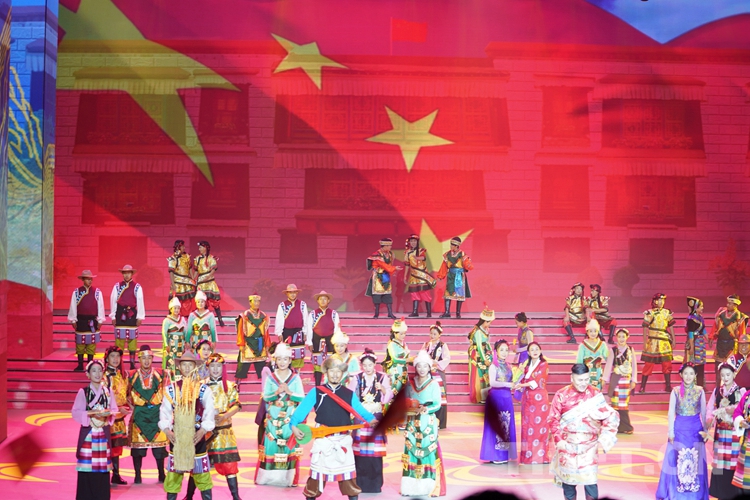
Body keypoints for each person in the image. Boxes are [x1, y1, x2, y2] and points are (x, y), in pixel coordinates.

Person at [290, 357, 376, 500]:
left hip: (343, 441)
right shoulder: (316, 392)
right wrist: (293, 425)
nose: (335, 375)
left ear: (343, 373)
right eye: (332, 371)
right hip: (323, 442)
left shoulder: (349, 394)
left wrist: (372, 419)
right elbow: (301, 411)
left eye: (338, 371)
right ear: (326, 372)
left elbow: (361, 411)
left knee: (350, 483)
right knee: (314, 483)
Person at [548, 364, 620, 500]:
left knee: (590, 482)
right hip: (567, 445)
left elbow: (608, 415)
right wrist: (559, 440)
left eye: (586, 379)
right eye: (580, 380)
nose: (584, 383)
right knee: (568, 483)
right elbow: (553, 419)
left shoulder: (595, 394)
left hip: (589, 446)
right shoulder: (561, 395)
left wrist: (606, 436)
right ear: (572, 378)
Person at [160, 351, 216, 500]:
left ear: (195, 366)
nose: (186, 368)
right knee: (173, 476)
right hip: (177, 437)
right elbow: (165, 411)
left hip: (197, 437)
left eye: (190, 365)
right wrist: (167, 431)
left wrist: (203, 430)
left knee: (202, 474)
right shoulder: (171, 389)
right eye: (183, 365)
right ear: (179, 367)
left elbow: (209, 411)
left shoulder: (203, 389)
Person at [655, 362, 708, 500]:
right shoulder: (675, 391)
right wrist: (670, 432)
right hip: (679, 429)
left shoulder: (700, 391)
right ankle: (677, 492)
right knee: (677, 460)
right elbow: (671, 412)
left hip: (696, 430)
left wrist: (706, 431)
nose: (688, 376)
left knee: (696, 461)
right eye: (686, 373)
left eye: (691, 373)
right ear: (681, 375)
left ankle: (695, 493)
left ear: (695, 375)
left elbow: (704, 413)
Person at [256, 342, 305, 487]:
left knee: (289, 446)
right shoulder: (271, 377)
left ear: (290, 360)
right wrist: (276, 393)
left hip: (289, 418)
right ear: (275, 360)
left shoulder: (295, 378)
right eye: (279, 359)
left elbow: (302, 397)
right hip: (273, 417)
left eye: (285, 359)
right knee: (271, 444)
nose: (282, 362)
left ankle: (289, 478)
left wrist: (289, 392)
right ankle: (268, 477)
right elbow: (266, 397)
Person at [401, 350, 447, 497]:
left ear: (429, 367)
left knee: (428, 450)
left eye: (425, 366)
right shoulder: (410, 384)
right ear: (415, 367)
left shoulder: (434, 384)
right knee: (411, 450)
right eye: (419, 366)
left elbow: (438, 404)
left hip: (427, 421)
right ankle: (411, 487)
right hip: (413, 421)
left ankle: (430, 486)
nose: (422, 369)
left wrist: (427, 409)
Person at [348, 348, 393, 493]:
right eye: (365, 365)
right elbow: (350, 397)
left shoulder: (382, 377)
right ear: (361, 365)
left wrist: (383, 390)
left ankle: (375, 484)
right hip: (361, 419)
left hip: (376, 418)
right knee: (360, 453)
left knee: (375, 454)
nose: (367, 368)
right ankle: (360, 483)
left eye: (370, 365)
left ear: (375, 364)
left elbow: (388, 396)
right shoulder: (356, 378)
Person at [72, 359, 118, 500]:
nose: (97, 374)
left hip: (103, 433)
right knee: (86, 469)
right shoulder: (83, 392)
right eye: (93, 371)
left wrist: (109, 414)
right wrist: (90, 413)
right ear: (88, 374)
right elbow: (76, 412)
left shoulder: (108, 391)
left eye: (99, 370)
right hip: (89, 434)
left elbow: (114, 409)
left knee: (103, 469)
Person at [127, 345, 168, 484]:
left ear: (152, 358)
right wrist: (133, 406)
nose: (146, 361)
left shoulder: (161, 374)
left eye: (149, 358)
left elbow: (167, 392)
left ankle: (161, 473)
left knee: (159, 448)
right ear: (139, 359)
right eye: (143, 358)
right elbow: (126, 393)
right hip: (140, 415)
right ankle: (137, 474)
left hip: (157, 414)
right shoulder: (131, 375)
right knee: (138, 448)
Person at [205, 353, 243, 500]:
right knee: (200, 466)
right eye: (212, 366)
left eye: (218, 366)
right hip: (205, 433)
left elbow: (237, 405)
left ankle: (236, 496)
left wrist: (225, 416)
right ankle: (191, 495)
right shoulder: (201, 385)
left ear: (223, 368)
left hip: (224, 432)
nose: (215, 369)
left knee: (229, 465)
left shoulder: (230, 386)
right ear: (207, 368)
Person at [707, 363, 744, 500]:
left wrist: (733, 411)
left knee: (733, 463)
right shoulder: (717, 391)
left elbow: (744, 410)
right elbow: (710, 409)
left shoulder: (740, 391)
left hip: (734, 434)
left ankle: (733, 493)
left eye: (728, 375)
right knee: (718, 463)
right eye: (722, 375)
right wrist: (709, 420)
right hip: (720, 434)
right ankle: (719, 492)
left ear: (734, 374)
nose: (725, 378)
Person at [480, 339, 518, 465]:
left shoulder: (509, 366)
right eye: (501, 350)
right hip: (496, 398)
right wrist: (508, 384)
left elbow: (512, 381)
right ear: (496, 351)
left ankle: (504, 454)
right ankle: (494, 455)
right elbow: (492, 383)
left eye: (506, 350)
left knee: (506, 425)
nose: (504, 352)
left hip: (507, 398)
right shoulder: (493, 366)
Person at [516, 342, 550, 465]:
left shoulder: (543, 364)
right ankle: (527, 457)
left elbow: (536, 382)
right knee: (527, 427)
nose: (535, 351)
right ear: (528, 353)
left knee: (539, 427)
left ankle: (541, 457)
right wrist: (520, 375)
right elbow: (524, 379)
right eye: (532, 350)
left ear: (540, 351)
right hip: (527, 399)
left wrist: (521, 385)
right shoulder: (527, 365)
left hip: (539, 400)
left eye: (537, 349)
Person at [68, 270, 106, 371]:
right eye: (87, 279)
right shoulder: (76, 292)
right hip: (81, 321)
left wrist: (100, 320)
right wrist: (73, 320)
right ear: (83, 280)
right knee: (80, 344)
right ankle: (80, 365)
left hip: (92, 322)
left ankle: (90, 365)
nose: (90, 281)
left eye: (91, 279)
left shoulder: (97, 292)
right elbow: (73, 306)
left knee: (91, 344)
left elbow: (100, 306)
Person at [110, 264, 145, 370]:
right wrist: (113, 316)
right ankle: (118, 364)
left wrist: (140, 317)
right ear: (122, 274)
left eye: (128, 273)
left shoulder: (137, 287)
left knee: (132, 340)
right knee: (119, 341)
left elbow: (140, 301)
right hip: (120, 314)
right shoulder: (117, 286)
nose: (126, 275)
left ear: (132, 274)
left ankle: (132, 363)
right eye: (124, 273)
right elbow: (113, 301)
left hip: (132, 315)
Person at [602, 328, 638, 434]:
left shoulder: (630, 350)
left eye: (623, 336)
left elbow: (634, 366)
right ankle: (615, 426)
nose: (621, 339)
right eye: (619, 337)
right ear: (616, 338)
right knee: (615, 403)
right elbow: (608, 365)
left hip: (626, 380)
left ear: (627, 337)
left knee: (624, 404)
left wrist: (634, 380)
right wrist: (604, 379)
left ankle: (626, 426)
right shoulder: (613, 350)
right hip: (616, 380)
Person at [104, 345, 130, 485]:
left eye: (118, 356)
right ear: (107, 358)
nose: (115, 359)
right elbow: (103, 400)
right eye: (112, 356)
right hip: (109, 418)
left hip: (120, 418)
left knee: (117, 447)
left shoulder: (121, 374)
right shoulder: (104, 377)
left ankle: (116, 474)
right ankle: (105, 475)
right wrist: (119, 409)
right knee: (108, 447)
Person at [639, 293, 675, 394]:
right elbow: (645, 328)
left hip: (664, 341)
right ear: (654, 301)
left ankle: (668, 385)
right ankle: (642, 386)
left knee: (667, 364)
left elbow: (671, 326)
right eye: (659, 300)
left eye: (663, 300)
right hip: (653, 341)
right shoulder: (649, 313)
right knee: (648, 364)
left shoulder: (667, 312)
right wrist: (645, 342)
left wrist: (674, 339)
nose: (661, 302)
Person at [306, 291, 341, 386]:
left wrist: (336, 342)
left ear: (328, 300)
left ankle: (330, 384)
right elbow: (309, 328)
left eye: (325, 299)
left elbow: (337, 329)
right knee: (317, 364)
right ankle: (317, 385)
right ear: (317, 301)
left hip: (330, 341)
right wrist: (309, 342)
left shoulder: (334, 314)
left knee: (331, 363)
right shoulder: (313, 314)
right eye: (320, 299)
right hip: (316, 340)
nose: (322, 301)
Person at [235, 293, 271, 382]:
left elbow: (266, 332)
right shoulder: (244, 315)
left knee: (262, 369)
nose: (257, 303)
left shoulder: (263, 316)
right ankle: (237, 385)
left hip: (260, 344)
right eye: (254, 301)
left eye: (258, 301)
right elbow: (240, 331)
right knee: (242, 367)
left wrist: (267, 344)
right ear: (250, 302)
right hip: (248, 343)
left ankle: (265, 386)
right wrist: (241, 344)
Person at [422, 321, 451, 429]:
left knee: (440, 396)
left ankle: (441, 422)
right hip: (427, 373)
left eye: (435, 334)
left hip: (438, 373)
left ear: (439, 335)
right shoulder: (426, 345)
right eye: (431, 333)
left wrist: (436, 363)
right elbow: (421, 356)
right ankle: (426, 419)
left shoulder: (443, 345)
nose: (432, 336)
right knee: (427, 395)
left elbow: (447, 359)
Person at [436, 236, 473, 318]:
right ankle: (447, 312)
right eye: (451, 244)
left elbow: (467, 265)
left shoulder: (462, 254)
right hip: (451, 275)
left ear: (457, 246)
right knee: (448, 293)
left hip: (459, 276)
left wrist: (467, 266)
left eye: (453, 245)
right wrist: (440, 276)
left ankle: (458, 313)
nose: (451, 246)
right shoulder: (447, 254)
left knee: (459, 294)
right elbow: (444, 266)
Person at [274, 284, 309, 369]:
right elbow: (279, 319)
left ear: (297, 293)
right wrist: (279, 333)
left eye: (294, 292)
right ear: (287, 294)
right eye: (290, 292)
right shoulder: (282, 305)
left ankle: (297, 373)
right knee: (286, 353)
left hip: (299, 332)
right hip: (287, 332)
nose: (292, 294)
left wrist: (305, 332)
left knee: (298, 354)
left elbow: (305, 319)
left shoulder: (302, 304)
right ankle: (288, 371)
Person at [366, 237, 402, 319]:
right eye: (389, 246)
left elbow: (389, 264)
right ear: (384, 246)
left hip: (386, 276)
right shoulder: (377, 255)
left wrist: (392, 271)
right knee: (377, 295)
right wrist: (394, 268)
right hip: (378, 277)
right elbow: (383, 265)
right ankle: (376, 313)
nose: (390, 247)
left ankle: (390, 313)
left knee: (387, 294)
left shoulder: (390, 254)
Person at [404, 234, 436, 318]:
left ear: (417, 242)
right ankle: (415, 312)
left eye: (414, 241)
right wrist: (405, 276)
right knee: (414, 293)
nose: (413, 243)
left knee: (425, 293)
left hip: (421, 275)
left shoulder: (421, 250)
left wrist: (417, 258)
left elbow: (423, 258)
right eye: (411, 241)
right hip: (413, 275)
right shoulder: (407, 252)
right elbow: (407, 265)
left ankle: (428, 312)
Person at [713, 295, 749, 370]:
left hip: (732, 346)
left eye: (729, 304)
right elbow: (715, 327)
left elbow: (742, 334)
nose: (727, 305)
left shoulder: (740, 317)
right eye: (727, 303)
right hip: (720, 345)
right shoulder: (721, 314)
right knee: (718, 368)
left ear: (735, 305)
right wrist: (712, 337)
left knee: (731, 367)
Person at [195, 240, 225, 327]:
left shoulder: (211, 258)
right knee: (202, 301)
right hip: (201, 283)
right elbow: (196, 271)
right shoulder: (197, 259)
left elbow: (213, 270)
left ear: (205, 248)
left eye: (201, 247)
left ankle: (220, 318)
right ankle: (203, 320)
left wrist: (208, 277)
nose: (199, 249)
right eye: (199, 247)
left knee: (215, 301)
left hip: (209, 282)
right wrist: (193, 279)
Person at [468, 306, 495, 404]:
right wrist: (484, 360)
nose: (490, 324)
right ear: (485, 321)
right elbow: (479, 346)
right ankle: (480, 396)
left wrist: (491, 352)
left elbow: (487, 343)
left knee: (486, 375)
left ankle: (485, 396)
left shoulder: (486, 330)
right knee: (480, 375)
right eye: (489, 322)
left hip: (484, 353)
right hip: (478, 354)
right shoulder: (478, 332)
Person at [383, 317, 413, 400]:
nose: (403, 336)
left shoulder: (404, 344)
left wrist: (412, 360)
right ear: (395, 333)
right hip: (395, 371)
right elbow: (395, 359)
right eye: (401, 334)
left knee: (403, 393)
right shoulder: (392, 344)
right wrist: (407, 360)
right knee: (394, 390)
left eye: (404, 334)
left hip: (404, 371)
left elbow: (408, 357)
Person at [575, 319, 609, 391]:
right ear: (587, 332)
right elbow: (579, 362)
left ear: (598, 331)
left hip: (598, 374)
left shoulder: (602, 344)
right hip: (586, 374)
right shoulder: (583, 345)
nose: (593, 333)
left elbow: (608, 360)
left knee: (597, 394)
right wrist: (579, 376)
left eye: (595, 331)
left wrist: (605, 377)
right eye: (590, 331)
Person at [168, 239, 196, 319]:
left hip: (187, 283)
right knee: (177, 301)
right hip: (177, 283)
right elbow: (171, 272)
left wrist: (193, 279)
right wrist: (173, 285)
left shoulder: (187, 256)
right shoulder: (173, 258)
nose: (184, 248)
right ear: (178, 247)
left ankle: (187, 319)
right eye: (183, 246)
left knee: (187, 302)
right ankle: (175, 319)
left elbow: (190, 268)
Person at [162, 297, 188, 382]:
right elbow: (164, 333)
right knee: (171, 361)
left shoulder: (182, 319)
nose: (176, 310)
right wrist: (166, 344)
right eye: (175, 308)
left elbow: (185, 331)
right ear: (171, 309)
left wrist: (186, 342)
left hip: (180, 344)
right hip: (171, 344)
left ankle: (180, 379)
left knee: (180, 361)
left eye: (178, 308)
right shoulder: (167, 320)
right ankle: (171, 379)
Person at [685, 297, 708, 388]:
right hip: (694, 343)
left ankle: (700, 384)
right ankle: (692, 385)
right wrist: (691, 346)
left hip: (700, 343)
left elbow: (703, 330)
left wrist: (708, 339)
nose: (702, 308)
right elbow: (690, 333)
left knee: (701, 364)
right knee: (693, 364)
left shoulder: (700, 318)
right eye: (701, 306)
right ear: (696, 308)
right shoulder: (691, 319)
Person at [732, 383, 750, 490]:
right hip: (748, 442)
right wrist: (741, 422)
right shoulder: (747, 395)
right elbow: (737, 412)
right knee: (745, 483)